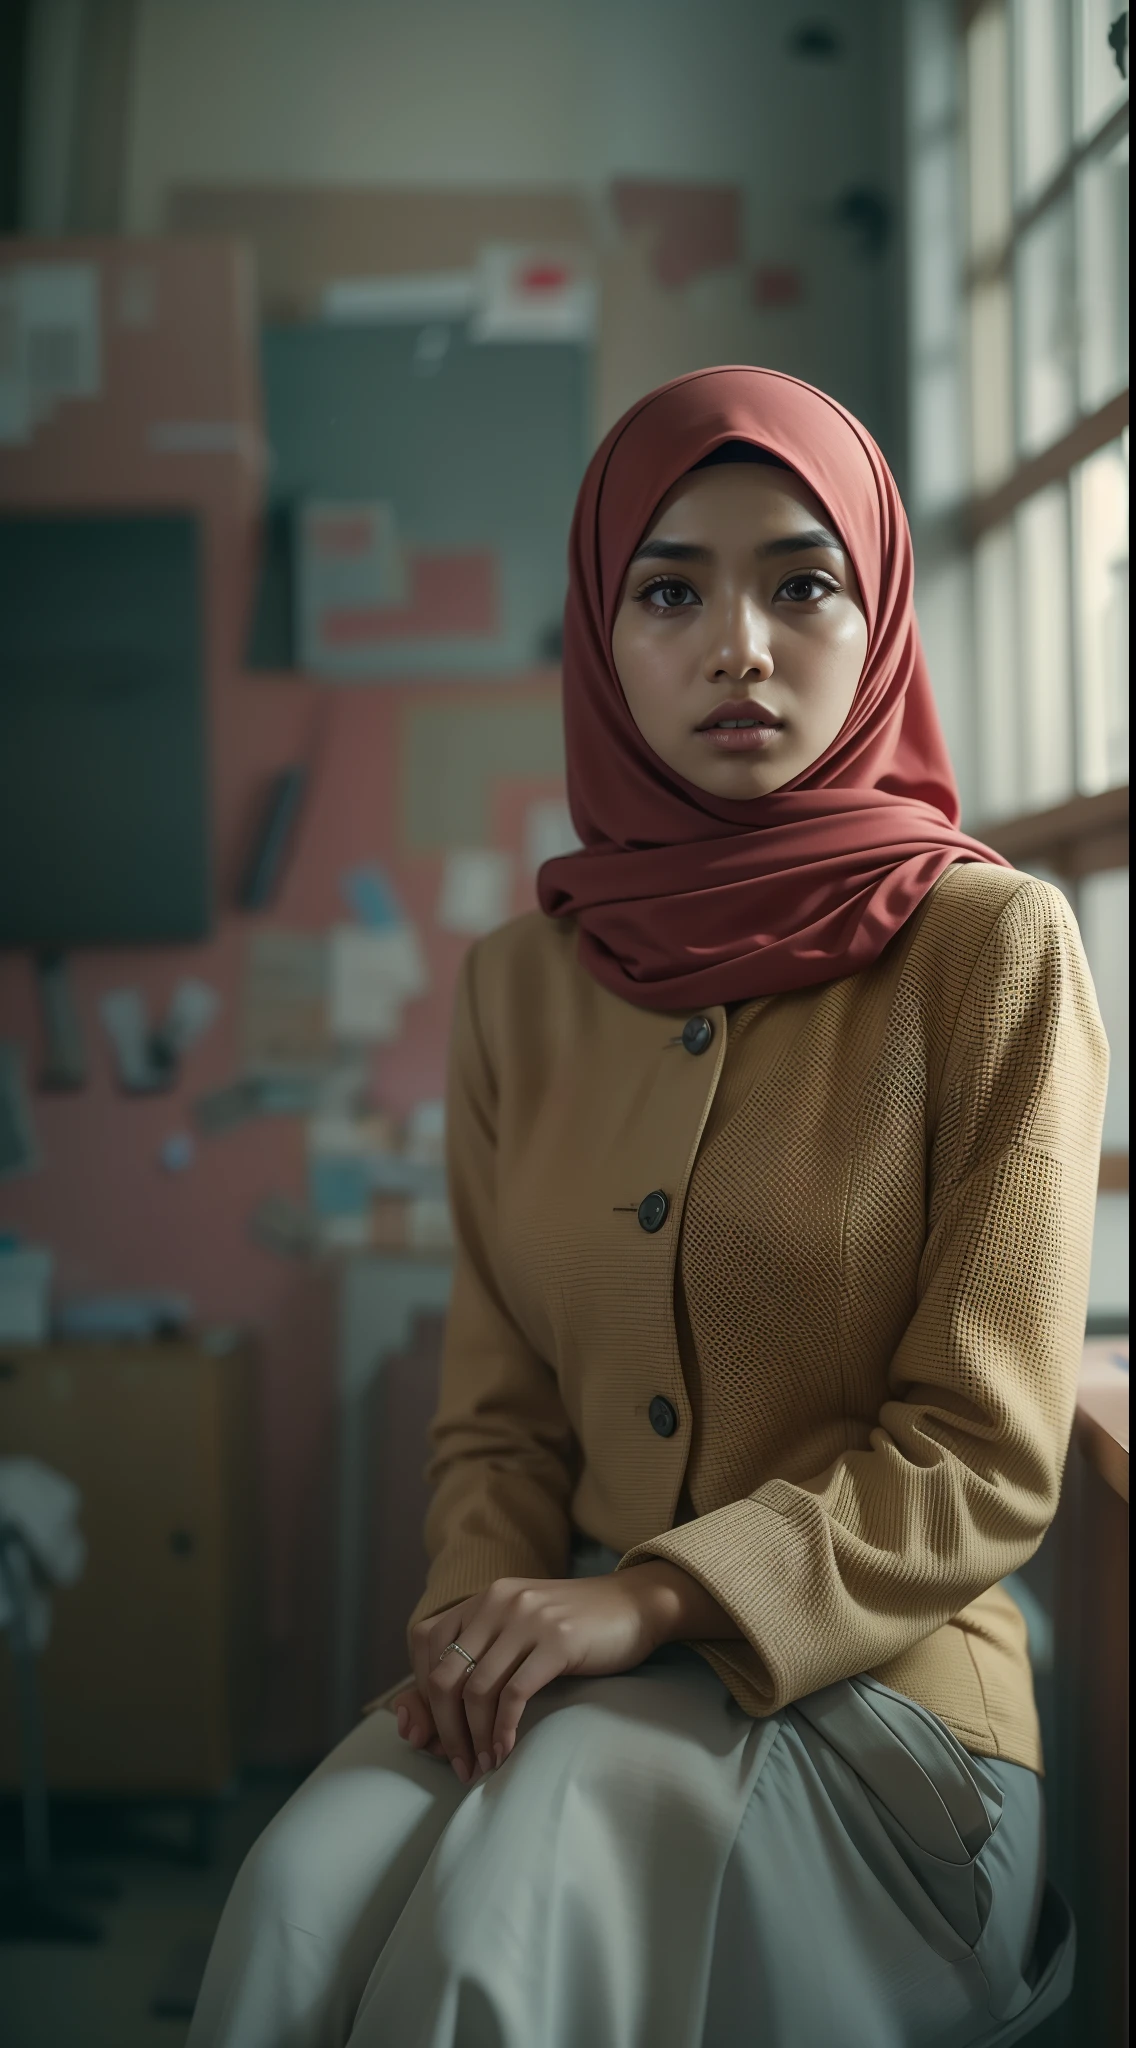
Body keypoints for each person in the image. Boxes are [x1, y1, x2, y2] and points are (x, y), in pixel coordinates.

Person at [189, 368, 1107, 2048]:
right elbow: (498, 1423)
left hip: (882, 1698)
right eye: (670, 589)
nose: (739, 646)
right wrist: (475, 1644)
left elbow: (982, 1457)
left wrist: (648, 1602)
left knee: (497, 1931)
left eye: (801, 582)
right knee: (298, 1906)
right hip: (580, 1671)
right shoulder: (516, 990)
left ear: (879, 606)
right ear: (600, 640)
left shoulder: (995, 953)